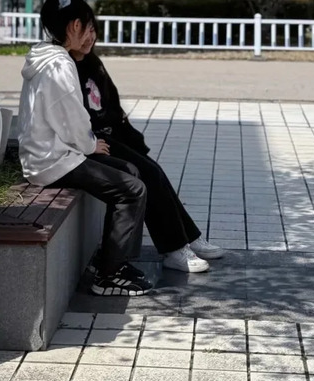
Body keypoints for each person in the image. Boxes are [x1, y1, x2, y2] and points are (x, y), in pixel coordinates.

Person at [18, 0, 151, 297]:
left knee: (130, 170)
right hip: (52, 161)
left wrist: (88, 145)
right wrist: (91, 145)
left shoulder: (45, 56)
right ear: (75, 26)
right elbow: (72, 119)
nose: (93, 36)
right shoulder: (59, 66)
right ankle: (108, 275)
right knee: (132, 189)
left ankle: (110, 260)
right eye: (90, 28)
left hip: (51, 154)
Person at [70, 24, 225, 273]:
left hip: (107, 138)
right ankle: (174, 249)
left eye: (92, 30)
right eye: (82, 31)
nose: (89, 37)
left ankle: (187, 236)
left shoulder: (91, 62)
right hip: (88, 144)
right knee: (146, 173)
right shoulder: (66, 67)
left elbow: (112, 105)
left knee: (153, 170)